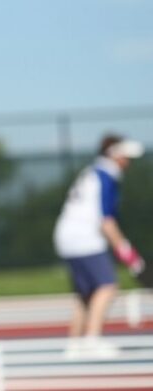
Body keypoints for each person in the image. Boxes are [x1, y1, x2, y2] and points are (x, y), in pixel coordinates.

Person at [54, 134, 145, 356]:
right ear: (114, 155)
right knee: (107, 286)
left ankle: (74, 344)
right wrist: (129, 255)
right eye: (125, 156)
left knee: (86, 293)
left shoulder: (92, 172)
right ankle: (92, 339)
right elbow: (106, 221)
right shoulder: (106, 175)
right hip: (84, 237)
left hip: (66, 236)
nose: (128, 162)